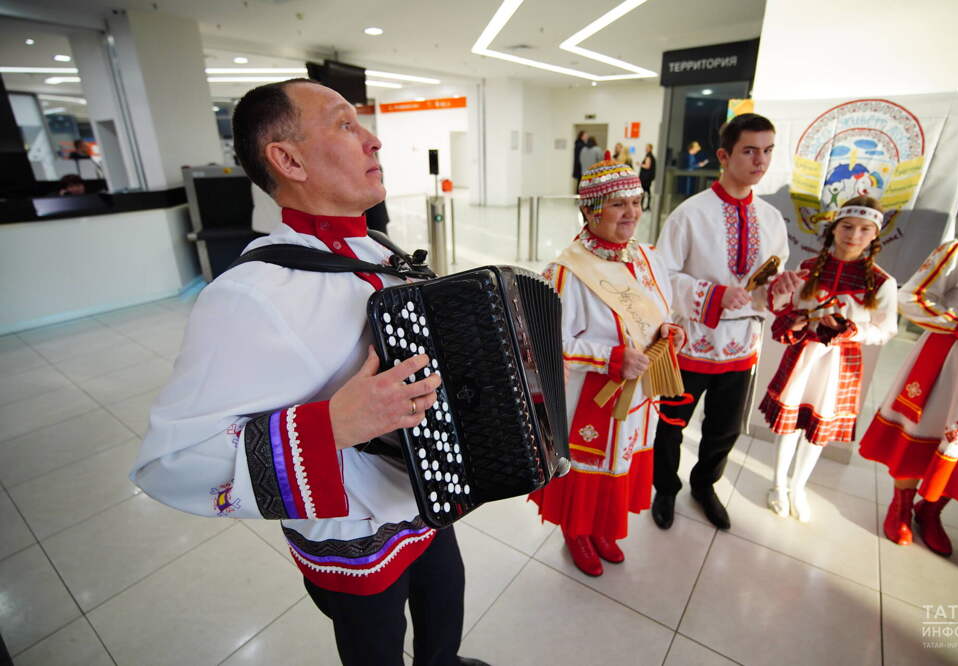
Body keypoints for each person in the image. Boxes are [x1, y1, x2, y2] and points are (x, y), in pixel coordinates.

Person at [130, 78, 488, 666]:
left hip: (426, 492)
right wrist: (331, 426)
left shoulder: (380, 251)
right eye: (345, 124)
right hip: (355, 533)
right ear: (288, 160)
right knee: (375, 648)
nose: (373, 140)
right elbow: (170, 461)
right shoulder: (248, 295)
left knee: (444, 608)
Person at [529, 160, 685, 576]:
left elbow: (661, 313)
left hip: (638, 392)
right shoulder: (566, 272)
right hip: (591, 396)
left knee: (622, 459)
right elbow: (546, 344)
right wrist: (609, 357)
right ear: (590, 210)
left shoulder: (648, 257)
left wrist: (670, 331)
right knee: (592, 464)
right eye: (618, 204)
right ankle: (576, 531)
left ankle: (600, 526)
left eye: (636, 201)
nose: (631, 213)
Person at [650, 113, 800, 531]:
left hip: (742, 345)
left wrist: (781, 286)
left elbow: (767, 281)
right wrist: (713, 295)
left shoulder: (771, 219)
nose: (760, 160)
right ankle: (665, 488)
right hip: (692, 342)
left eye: (767, 150)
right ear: (723, 156)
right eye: (749, 150)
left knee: (725, 428)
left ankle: (704, 486)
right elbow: (661, 277)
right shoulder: (690, 214)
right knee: (671, 424)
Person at [860, 227, 958, 557]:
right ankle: (901, 505)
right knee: (924, 433)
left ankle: (931, 509)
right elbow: (911, 297)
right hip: (950, 365)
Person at [759, 197, 897, 522]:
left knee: (817, 430)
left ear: (875, 235)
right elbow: (789, 305)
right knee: (789, 426)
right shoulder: (809, 267)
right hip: (803, 356)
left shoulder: (881, 282)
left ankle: (798, 487)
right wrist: (795, 319)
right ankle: (778, 485)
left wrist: (851, 330)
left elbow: (885, 330)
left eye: (864, 229)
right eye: (847, 226)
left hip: (840, 364)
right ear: (834, 228)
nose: (854, 235)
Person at [639, 144, 656, 211]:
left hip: (645, 178)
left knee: (643, 191)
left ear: (650, 148)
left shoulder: (648, 156)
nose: (646, 149)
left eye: (647, 148)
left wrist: (640, 164)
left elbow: (647, 166)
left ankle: (642, 206)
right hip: (648, 177)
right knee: (648, 191)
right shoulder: (651, 156)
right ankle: (647, 205)